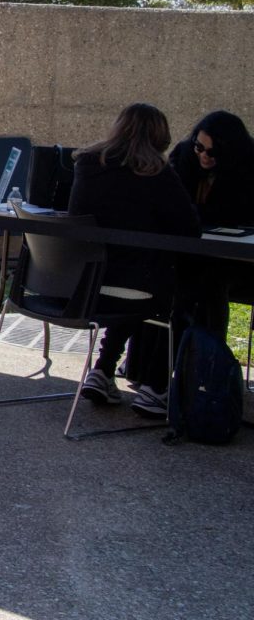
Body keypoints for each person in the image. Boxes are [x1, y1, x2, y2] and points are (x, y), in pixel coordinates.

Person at [69, 103, 200, 416]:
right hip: (136, 287)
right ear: (160, 137)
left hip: (84, 286)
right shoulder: (157, 173)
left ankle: (102, 370)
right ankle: (156, 387)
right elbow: (190, 229)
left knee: (134, 282)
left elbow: (76, 217)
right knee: (174, 288)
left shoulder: (87, 163)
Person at [166, 110, 254, 340]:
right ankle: (159, 358)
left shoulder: (246, 170)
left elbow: (237, 214)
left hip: (233, 260)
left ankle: (207, 358)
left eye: (213, 152)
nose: (204, 156)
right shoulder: (183, 156)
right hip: (190, 252)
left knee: (211, 280)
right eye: (199, 147)